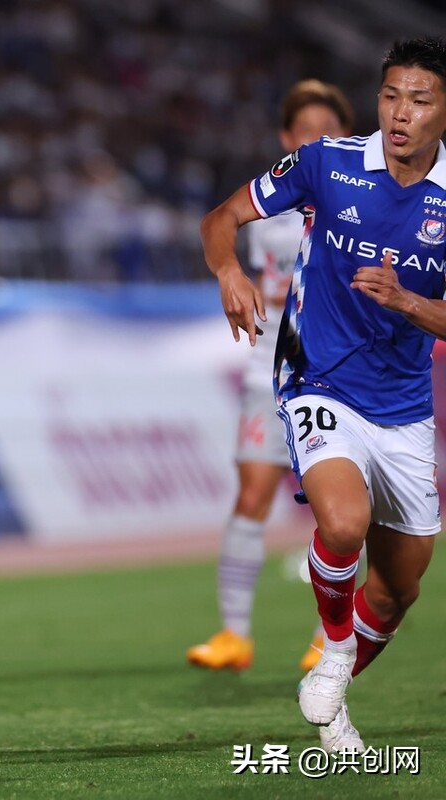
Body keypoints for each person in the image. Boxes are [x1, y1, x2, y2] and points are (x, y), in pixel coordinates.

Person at [202, 36, 446, 755]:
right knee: (342, 524)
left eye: (420, 100)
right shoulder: (328, 164)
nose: (401, 113)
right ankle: (317, 647)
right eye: (391, 95)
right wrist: (228, 273)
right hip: (318, 378)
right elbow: (221, 219)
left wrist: (409, 303)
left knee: (401, 589)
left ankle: (333, 684)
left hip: (403, 407)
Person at [188, 80, 353, 674]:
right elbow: (216, 226)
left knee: (341, 515)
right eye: (306, 133)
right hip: (271, 375)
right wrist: (228, 271)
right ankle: (234, 634)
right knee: (253, 495)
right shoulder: (266, 214)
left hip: (343, 381)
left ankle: (326, 638)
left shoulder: (362, 212)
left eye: (328, 133)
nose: (317, 142)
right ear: (287, 142)